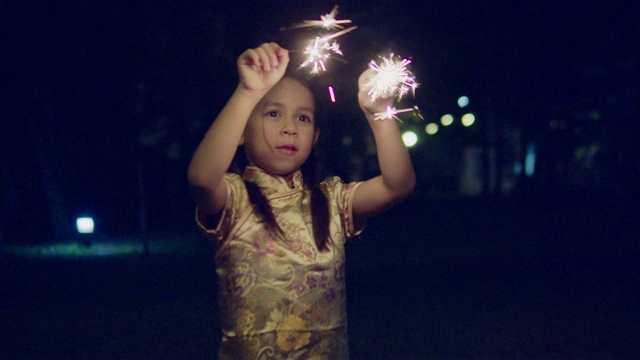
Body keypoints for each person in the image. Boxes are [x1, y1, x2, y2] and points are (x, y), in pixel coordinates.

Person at [188, 42, 415, 359]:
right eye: (273, 113)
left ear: (316, 136)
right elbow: (201, 177)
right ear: (240, 129)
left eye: (303, 118)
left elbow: (398, 185)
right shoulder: (234, 198)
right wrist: (248, 91)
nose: (290, 128)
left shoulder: (331, 200)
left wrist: (379, 114)